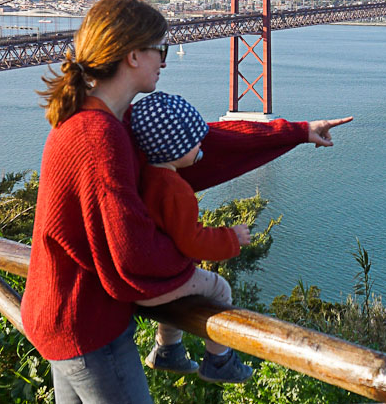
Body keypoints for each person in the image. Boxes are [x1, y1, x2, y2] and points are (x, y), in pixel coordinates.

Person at [21, 0, 350, 403]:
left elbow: (203, 143)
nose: (165, 61)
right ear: (131, 55)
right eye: (160, 49)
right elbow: (133, 253)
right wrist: (202, 248)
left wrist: (297, 132)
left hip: (64, 315)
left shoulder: (108, 120)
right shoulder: (98, 136)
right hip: (88, 326)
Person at [129, 91, 350, 384]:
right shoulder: (176, 189)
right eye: (195, 142)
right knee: (219, 288)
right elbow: (191, 241)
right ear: (175, 148)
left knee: (190, 283)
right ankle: (219, 361)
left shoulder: (145, 176)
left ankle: (167, 349)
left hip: (141, 279)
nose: (201, 147)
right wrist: (230, 238)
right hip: (154, 281)